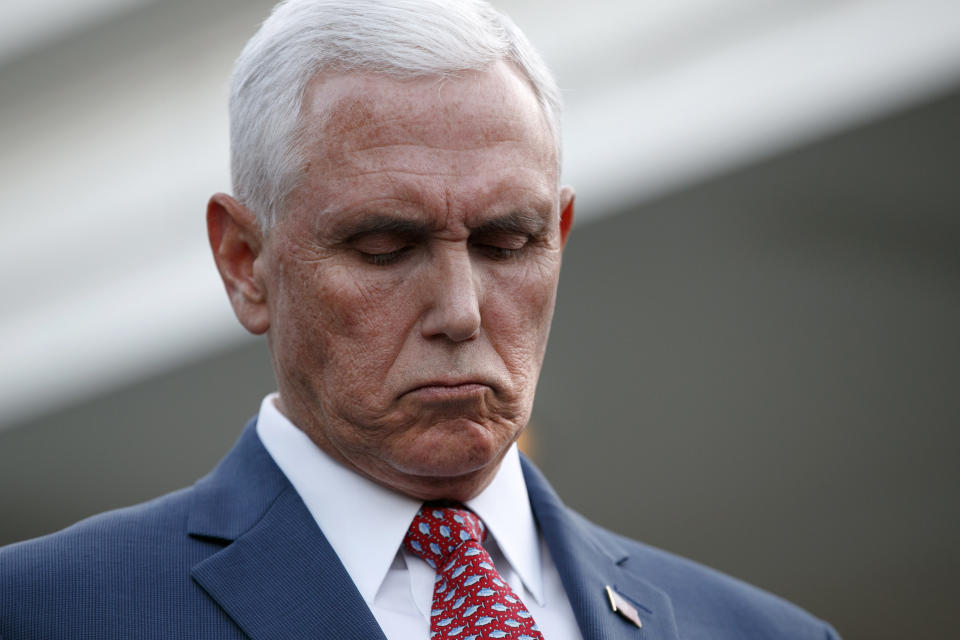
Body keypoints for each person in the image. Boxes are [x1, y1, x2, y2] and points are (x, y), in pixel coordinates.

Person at [0, 1, 842, 638]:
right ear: (245, 262)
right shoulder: (46, 611)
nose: (461, 312)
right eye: (383, 246)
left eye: (508, 242)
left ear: (560, 234)